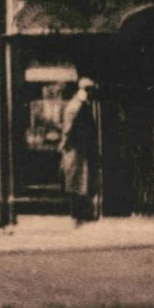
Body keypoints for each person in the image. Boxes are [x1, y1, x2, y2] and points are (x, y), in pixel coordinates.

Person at [61, 77, 100, 226]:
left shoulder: (82, 105)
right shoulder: (76, 106)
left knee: (80, 182)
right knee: (75, 182)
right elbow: (68, 128)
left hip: (81, 149)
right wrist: (64, 146)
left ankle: (82, 214)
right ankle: (76, 215)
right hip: (75, 150)